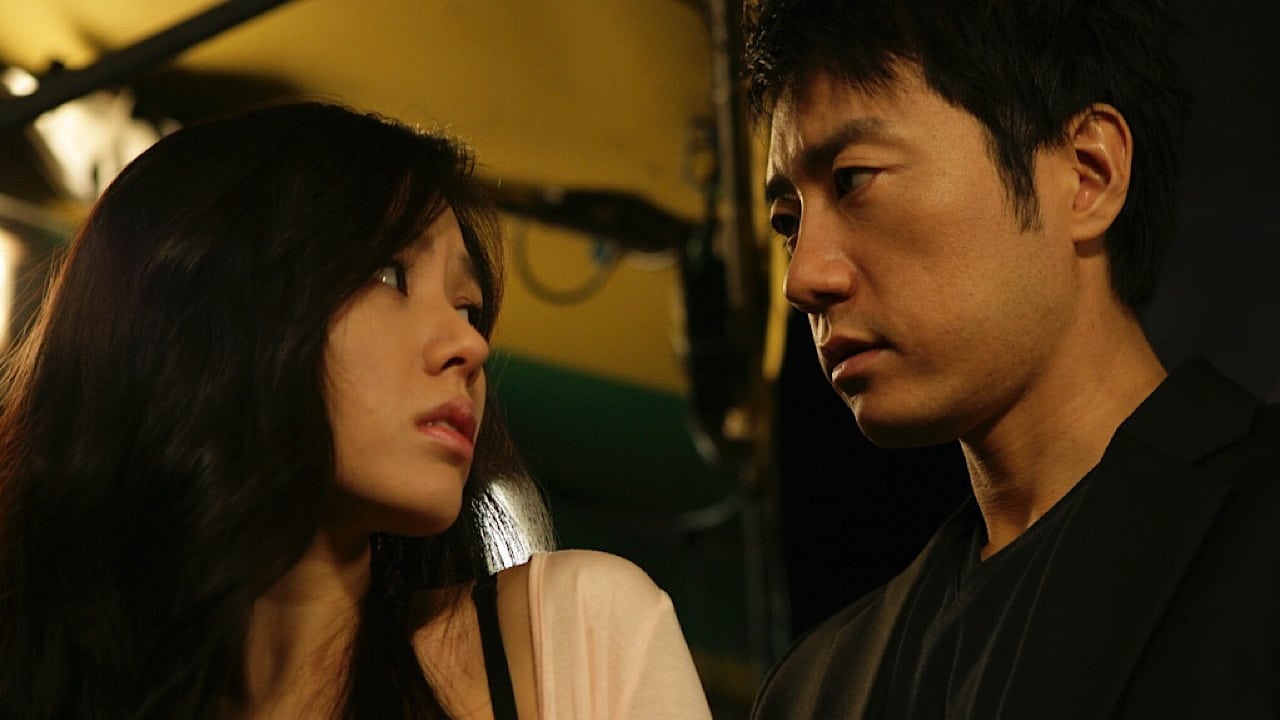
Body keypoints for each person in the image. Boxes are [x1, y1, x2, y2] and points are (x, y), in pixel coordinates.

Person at [0, 102, 713, 720]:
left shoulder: (575, 634)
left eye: (468, 307)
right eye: (389, 274)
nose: (470, 344)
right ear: (212, 309)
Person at [744, 1, 1280, 718]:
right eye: (788, 223)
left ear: (1086, 174)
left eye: (853, 179)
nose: (803, 277)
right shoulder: (816, 692)